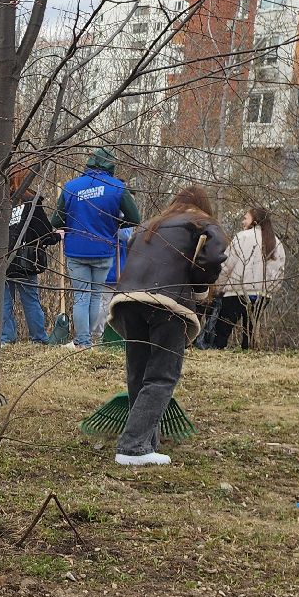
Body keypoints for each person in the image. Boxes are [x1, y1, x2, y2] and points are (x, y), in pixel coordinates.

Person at [106, 185, 226, 467]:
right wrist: (198, 286)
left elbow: (130, 252)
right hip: (167, 302)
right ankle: (133, 446)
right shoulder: (203, 222)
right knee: (161, 375)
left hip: (127, 300)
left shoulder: (149, 224)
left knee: (139, 373)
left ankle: (146, 445)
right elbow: (214, 256)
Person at [51, 148, 141, 347]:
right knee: (96, 294)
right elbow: (135, 218)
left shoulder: (71, 187)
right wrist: (113, 225)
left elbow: (56, 220)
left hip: (76, 250)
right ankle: (92, 339)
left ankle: (82, 342)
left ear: (89, 164)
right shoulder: (117, 187)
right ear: (111, 166)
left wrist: (72, 225)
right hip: (103, 249)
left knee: (81, 296)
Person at [204, 205, 285, 350]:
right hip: (262, 294)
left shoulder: (242, 237)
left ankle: (214, 354)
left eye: (245, 218)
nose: (243, 221)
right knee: (251, 332)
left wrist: (217, 288)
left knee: (221, 331)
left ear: (254, 220)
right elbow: (279, 272)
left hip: (236, 291)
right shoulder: (276, 242)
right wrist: (269, 291)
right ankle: (249, 357)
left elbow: (227, 266)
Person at [2, 168, 60, 344]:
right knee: (31, 301)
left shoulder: (0, 203)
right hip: (25, 261)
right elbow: (44, 233)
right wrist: (57, 236)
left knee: (4, 303)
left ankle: (6, 339)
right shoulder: (31, 202)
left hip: (3, 260)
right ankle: (39, 338)